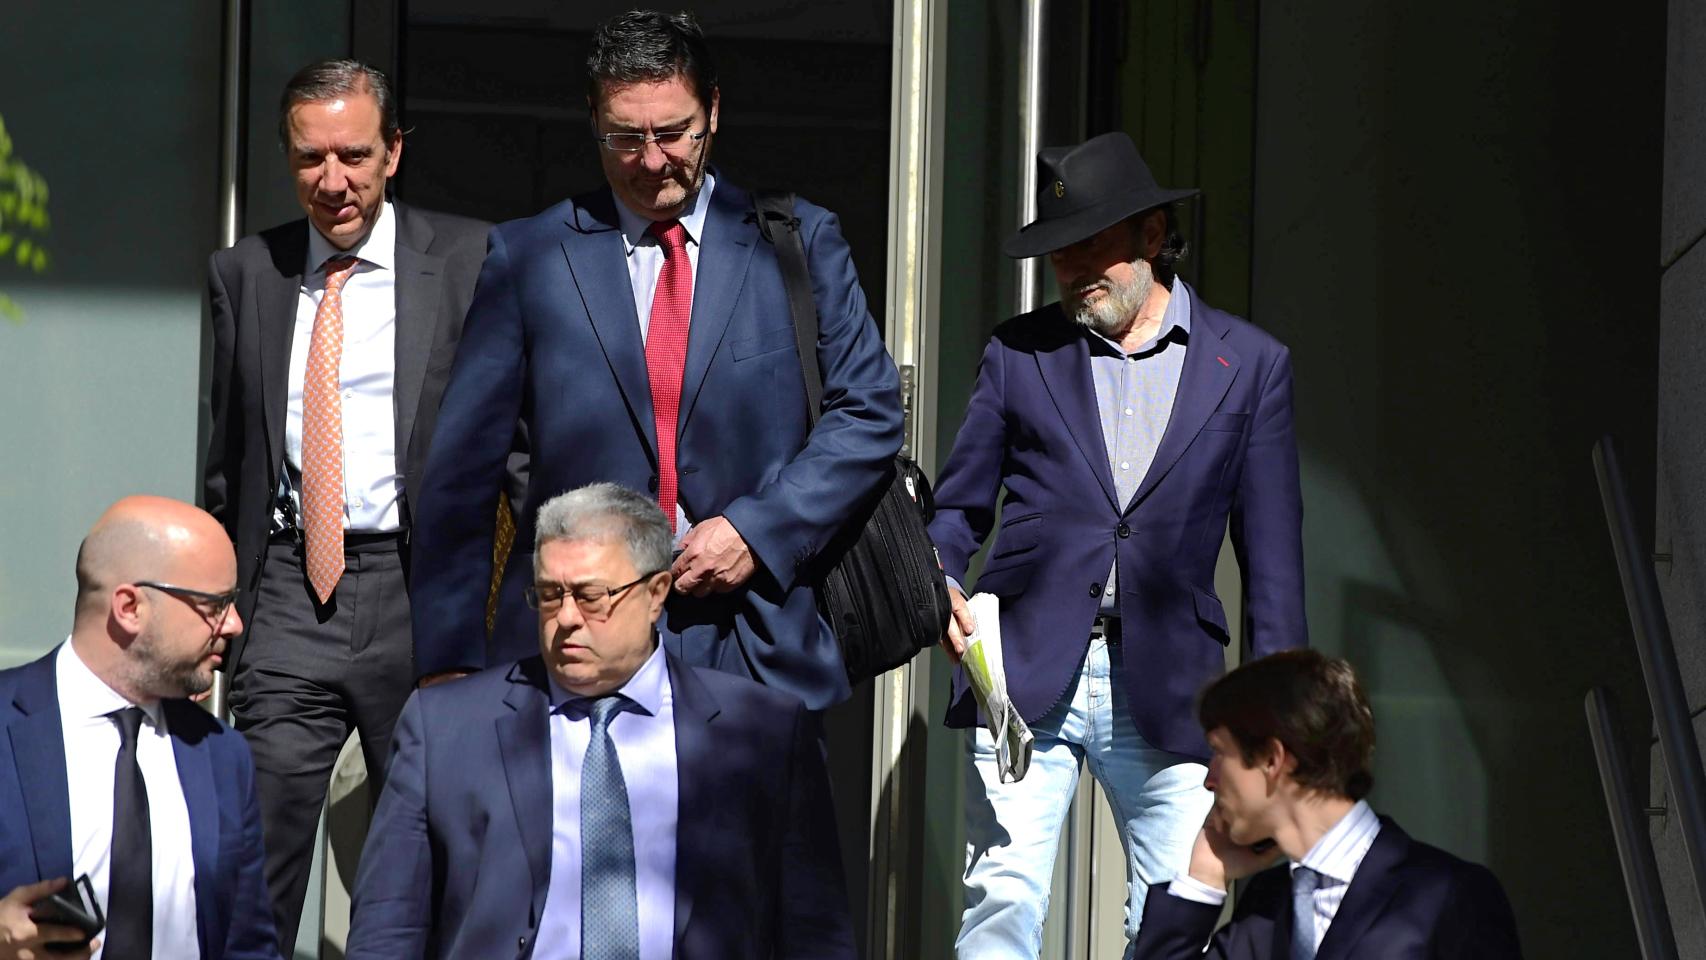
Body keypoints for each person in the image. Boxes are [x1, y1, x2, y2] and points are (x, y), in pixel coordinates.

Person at [406, 9, 903, 712]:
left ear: (714, 111)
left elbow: (869, 412)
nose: (651, 160)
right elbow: (462, 475)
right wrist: (449, 662)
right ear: (592, 119)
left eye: (673, 133)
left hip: (754, 636)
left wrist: (757, 531)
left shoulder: (795, 243)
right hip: (574, 645)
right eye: (624, 137)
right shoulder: (530, 257)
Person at [927, 130, 1308, 957]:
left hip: (1173, 689)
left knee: (1174, 918)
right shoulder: (1017, 354)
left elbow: (1273, 563)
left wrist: (1282, 718)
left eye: (1092, 244)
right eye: (1058, 252)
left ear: (1150, 233)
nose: (1072, 269)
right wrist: (938, 588)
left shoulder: (1251, 365)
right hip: (1022, 673)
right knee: (1001, 908)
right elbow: (956, 512)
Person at [201, 58, 493, 954]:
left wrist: (496, 611)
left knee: (420, 844)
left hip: (420, 585)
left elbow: (515, 445)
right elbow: (224, 460)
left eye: (354, 156)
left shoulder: (472, 259)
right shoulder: (248, 271)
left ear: (394, 152)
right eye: (310, 158)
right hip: (291, 585)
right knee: (262, 830)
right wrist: (219, 598)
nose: (333, 181)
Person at [346, 483, 854, 958]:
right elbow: (388, 925)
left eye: (591, 597)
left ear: (656, 593)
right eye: (549, 595)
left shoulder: (764, 732)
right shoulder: (446, 729)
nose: (566, 618)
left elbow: (815, 930)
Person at [0, 496, 277, 960]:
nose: (234, 623)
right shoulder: (9, 725)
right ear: (129, 607)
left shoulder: (221, 754)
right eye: (215, 604)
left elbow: (248, 945)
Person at [1133, 649, 1522, 958]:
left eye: (1219, 753)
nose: (1209, 778)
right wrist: (1204, 876)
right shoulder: (1267, 904)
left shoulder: (1451, 896)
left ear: (1272, 759)